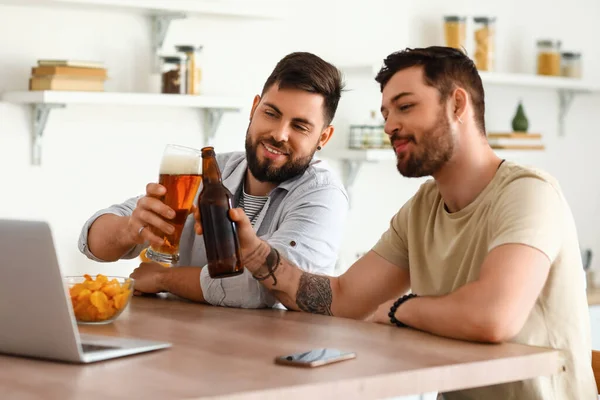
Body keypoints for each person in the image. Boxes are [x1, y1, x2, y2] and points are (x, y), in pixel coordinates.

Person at [195, 46, 597, 399]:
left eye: (405, 107)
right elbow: (344, 297)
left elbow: (493, 317)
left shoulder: (528, 192)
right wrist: (256, 254)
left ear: (457, 105)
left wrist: (399, 308)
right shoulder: (422, 208)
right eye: (386, 112)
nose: (389, 126)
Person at [78, 51, 349, 309]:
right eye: (271, 113)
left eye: (299, 126)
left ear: (324, 137)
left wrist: (163, 279)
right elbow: (91, 242)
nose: (279, 134)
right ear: (254, 108)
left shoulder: (323, 196)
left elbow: (263, 288)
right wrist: (129, 229)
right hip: (191, 341)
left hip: (275, 349)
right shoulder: (210, 169)